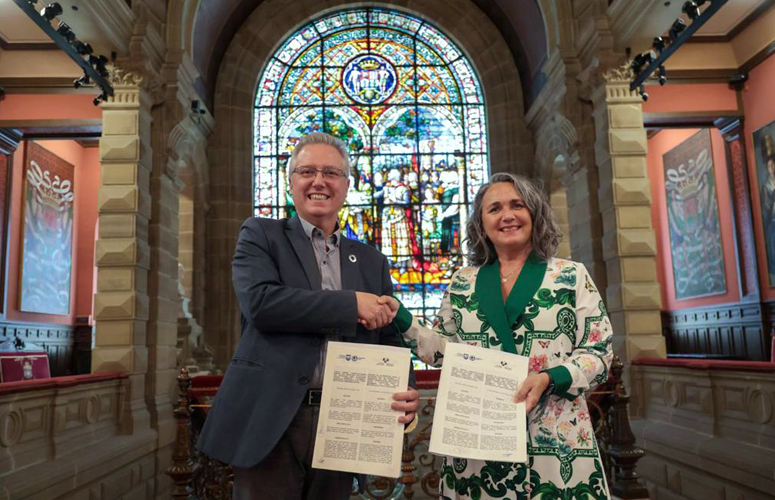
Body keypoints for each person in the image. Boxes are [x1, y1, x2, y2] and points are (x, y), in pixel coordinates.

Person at [197, 132, 420, 500]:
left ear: (347, 186)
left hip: (345, 421)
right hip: (271, 416)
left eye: (331, 173)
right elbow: (262, 304)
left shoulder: (371, 260)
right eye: (307, 171)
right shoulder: (261, 234)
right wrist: (351, 304)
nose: (319, 181)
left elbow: (389, 337)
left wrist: (405, 387)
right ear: (291, 182)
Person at [388, 172, 613, 499]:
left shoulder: (570, 275)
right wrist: (400, 317)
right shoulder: (462, 282)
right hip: (478, 443)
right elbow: (443, 350)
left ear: (534, 214)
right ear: (481, 224)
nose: (507, 215)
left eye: (517, 205)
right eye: (494, 209)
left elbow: (599, 353)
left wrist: (549, 378)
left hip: (554, 439)